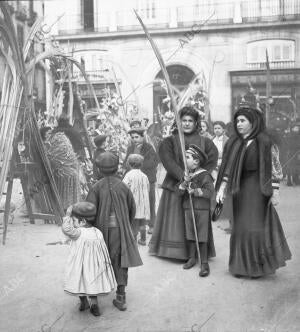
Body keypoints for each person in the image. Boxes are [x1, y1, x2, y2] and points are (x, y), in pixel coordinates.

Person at [215, 106, 291, 278]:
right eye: (237, 120)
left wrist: (275, 191)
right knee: (240, 228)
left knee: (254, 228)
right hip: (238, 189)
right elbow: (226, 168)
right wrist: (221, 189)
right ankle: (240, 266)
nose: (238, 124)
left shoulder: (264, 142)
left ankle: (256, 267)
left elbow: (274, 168)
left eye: (243, 121)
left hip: (257, 189)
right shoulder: (233, 142)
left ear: (253, 122)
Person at [149, 106, 218, 260]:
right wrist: (182, 176)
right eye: (184, 120)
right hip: (175, 185)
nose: (187, 124)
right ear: (179, 122)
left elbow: (212, 159)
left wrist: (198, 176)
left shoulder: (205, 141)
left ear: (196, 123)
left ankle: (197, 254)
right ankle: (176, 251)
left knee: (197, 220)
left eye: (190, 121)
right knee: (177, 218)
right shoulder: (170, 141)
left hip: (197, 187)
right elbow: (168, 160)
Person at [86, 152, 143, 311]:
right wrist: (125, 224)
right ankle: (120, 297)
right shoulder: (123, 186)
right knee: (120, 261)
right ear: (117, 168)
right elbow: (132, 208)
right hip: (120, 231)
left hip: (100, 232)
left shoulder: (96, 187)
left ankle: (94, 301)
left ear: (99, 169)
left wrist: (90, 226)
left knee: (97, 261)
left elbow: (89, 210)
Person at [62, 202, 116, 317]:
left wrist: (67, 215)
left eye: (74, 221)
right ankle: (94, 305)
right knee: (92, 283)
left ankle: (84, 302)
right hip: (95, 266)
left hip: (80, 264)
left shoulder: (78, 232)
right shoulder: (98, 232)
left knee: (79, 281)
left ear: (83, 221)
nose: (73, 224)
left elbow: (66, 229)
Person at [179, 145, 215, 277]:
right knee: (190, 234)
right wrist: (184, 183)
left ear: (196, 161)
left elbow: (210, 192)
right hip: (188, 208)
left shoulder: (205, 175)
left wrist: (195, 191)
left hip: (201, 209)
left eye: (187, 158)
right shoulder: (187, 175)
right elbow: (178, 192)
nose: (185, 160)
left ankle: (204, 262)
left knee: (202, 235)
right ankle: (192, 258)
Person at [124, 125, 159, 234]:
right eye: (133, 137)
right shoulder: (130, 148)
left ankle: (152, 224)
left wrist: (139, 167)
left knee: (150, 201)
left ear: (142, 137)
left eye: (137, 137)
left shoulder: (148, 148)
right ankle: (136, 225)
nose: (135, 140)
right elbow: (126, 161)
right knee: (135, 202)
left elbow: (154, 162)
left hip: (147, 179)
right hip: (134, 180)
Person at [123, 154, 150, 246]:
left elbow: (124, 187)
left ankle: (133, 240)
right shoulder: (144, 176)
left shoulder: (128, 175)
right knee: (142, 222)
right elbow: (148, 188)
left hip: (133, 202)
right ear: (141, 164)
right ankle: (143, 239)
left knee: (133, 221)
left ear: (129, 164)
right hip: (143, 202)